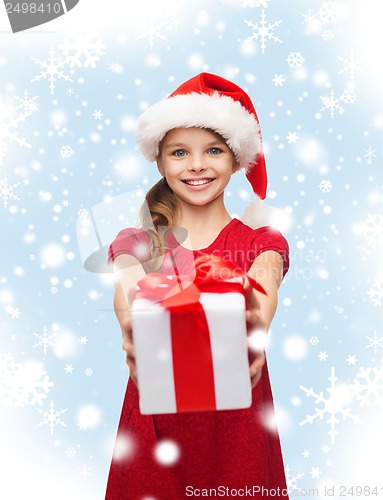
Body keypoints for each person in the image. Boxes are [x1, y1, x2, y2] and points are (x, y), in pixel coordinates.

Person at [105, 73, 290, 499]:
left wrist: (253, 326)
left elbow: (265, 283)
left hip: (236, 431)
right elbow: (128, 286)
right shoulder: (138, 241)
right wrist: (135, 323)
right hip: (156, 428)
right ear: (161, 162)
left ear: (236, 160)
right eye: (180, 152)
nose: (197, 164)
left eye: (213, 150)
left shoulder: (260, 242)